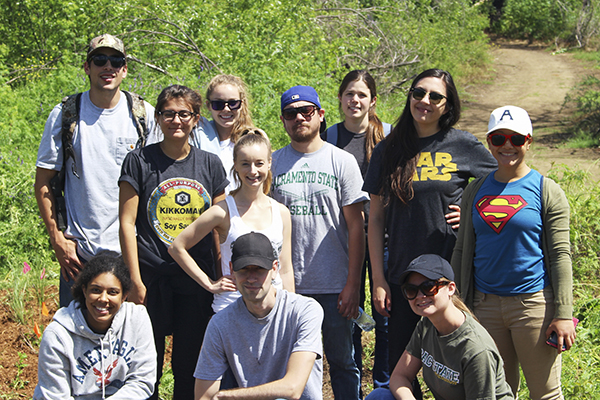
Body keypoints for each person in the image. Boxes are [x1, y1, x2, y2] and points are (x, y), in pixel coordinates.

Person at [363, 68, 497, 394]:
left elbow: (506, 184)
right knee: (402, 372)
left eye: (435, 96)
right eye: (418, 92)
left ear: (447, 105)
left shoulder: (462, 145)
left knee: (460, 365)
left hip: (452, 278)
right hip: (404, 280)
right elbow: (376, 219)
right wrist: (378, 281)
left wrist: (474, 213)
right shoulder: (389, 149)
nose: (425, 101)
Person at [451, 106, 576, 399]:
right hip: (484, 307)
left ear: (528, 141)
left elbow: (560, 255)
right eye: (499, 138)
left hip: (533, 308)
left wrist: (564, 314)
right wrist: (458, 304)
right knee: (495, 393)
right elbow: (462, 248)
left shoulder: (546, 190)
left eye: (516, 139)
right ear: (489, 142)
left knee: (545, 393)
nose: (507, 145)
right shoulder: (475, 190)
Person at [119, 85, 229, 399]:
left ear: (196, 119)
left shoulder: (210, 164)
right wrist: (134, 280)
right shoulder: (138, 161)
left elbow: (220, 228)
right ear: (158, 117)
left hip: (196, 279)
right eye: (169, 113)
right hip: (151, 277)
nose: (176, 120)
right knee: (144, 367)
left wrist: (218, 276)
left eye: (184, 114)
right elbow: (127, 222)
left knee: (188, 366)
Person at [35, 34, 155, 308]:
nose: (108, 67)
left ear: (125, 69)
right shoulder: (66, 114)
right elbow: (43, 183)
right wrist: (57, 240)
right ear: (87, 67)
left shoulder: (143, 115)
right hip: (79, 256)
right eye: (99, 60)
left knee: (130, 342)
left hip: (133, 256)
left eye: (116, 61)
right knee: (76, 339)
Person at [271, 85, 368, 399]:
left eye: (306, 111)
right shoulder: (272, 165)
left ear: (320, 115)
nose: (299, 117)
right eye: (291, 113)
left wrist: (353, 284)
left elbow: (357, 227)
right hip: (289, 286)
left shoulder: (341, 162)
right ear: (283, 120)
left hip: (335, 284)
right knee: (296, 364)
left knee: (342, 361)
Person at [170, 128, 294, 313]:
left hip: (273, 308)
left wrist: (290, 308)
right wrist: (210, 284)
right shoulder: (223, 211)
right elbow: (176, 247)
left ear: (269, 163)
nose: (253, 171)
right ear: (235, 165)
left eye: (259, 163)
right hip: (231, 307)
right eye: (245, 164)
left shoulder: (281, 212)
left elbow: (285, 269)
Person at [323, 69, 392, 389]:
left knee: (386, 314)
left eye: (362, 94)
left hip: (386, 238)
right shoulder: (329, 137)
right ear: (340, 98)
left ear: (373, 101)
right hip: (343, 239)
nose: (355, 100)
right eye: (349, 94)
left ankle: (384, 385)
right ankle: (352, 384)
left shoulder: (390, 137)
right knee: (349, 311)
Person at [193, 232, 323, 400]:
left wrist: (226, 396)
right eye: (244, 270)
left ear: (274, 269)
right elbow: (204, 396)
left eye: (259, 270)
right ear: (232, 269)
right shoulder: (220, 324)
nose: (251, 278)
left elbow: (293, 388)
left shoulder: (305, 310)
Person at [365, 254, 514, 400]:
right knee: (379, 396)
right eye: (411, 290)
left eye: (429, 287)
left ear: (450, 288)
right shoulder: (426, 324)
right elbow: (399, 377)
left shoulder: (476, 350)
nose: (420, 295)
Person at [34, 255, 157, 400]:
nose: (103, 299)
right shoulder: (58, 335)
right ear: (84, 290)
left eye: (113, 292)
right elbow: (56, 396)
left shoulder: (137, 319)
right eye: (96, 290)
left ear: (124, 296)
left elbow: (142, 381)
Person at [190, 74, 255, 194]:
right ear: (208, 105)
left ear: (242, 104)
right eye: (218, 104)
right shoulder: (195, 137)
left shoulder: (252, 140)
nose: (226, 109)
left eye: (233, 103)